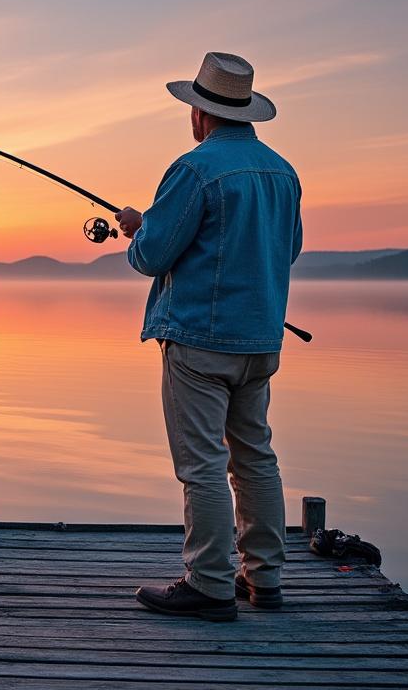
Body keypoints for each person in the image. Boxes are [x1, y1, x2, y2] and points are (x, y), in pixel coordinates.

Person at [115, 52, 302, 622]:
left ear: (201, 112)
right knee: (255, 457)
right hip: (261, 341)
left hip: (199, 341)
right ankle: (263, 579)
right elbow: (286, 250)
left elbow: (152, 256)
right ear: (245, 109)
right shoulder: (283, 173)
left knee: (202, 465)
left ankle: (210, 584)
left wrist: (138, 230)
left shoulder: (193, 169)